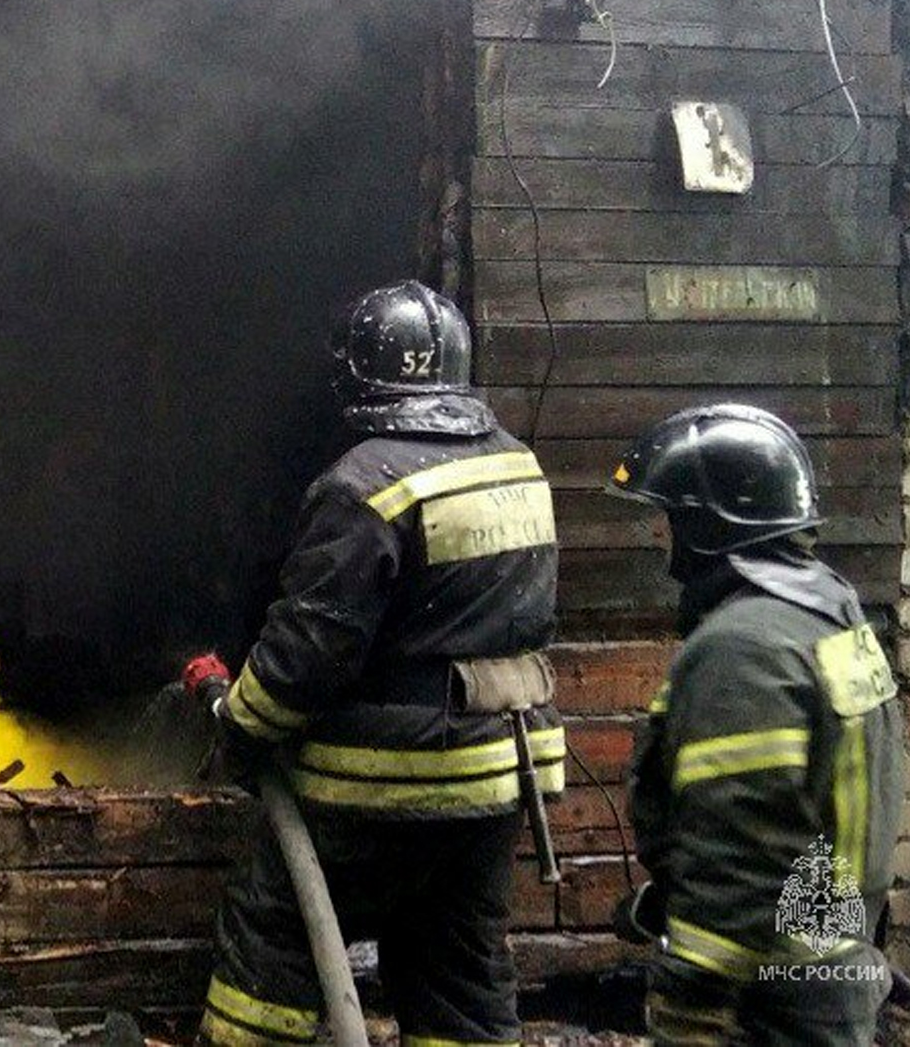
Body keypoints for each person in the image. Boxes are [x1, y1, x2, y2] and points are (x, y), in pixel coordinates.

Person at [188, 280, 562, 1047]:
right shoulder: (517, 466)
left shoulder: (365, 485)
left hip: (389, 777)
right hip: (501, 772)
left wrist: (239, 725)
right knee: (457, 968)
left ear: (355, 377)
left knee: (273, 932)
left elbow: (307, 648)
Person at [609, 404, 904, 1045]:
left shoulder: (745, 647)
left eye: (671, 518)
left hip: (763, 1002)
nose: (661, 537)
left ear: (706, 523)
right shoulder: (831, 614)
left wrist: (692, 993)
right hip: (831, 970)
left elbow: (739, 853)